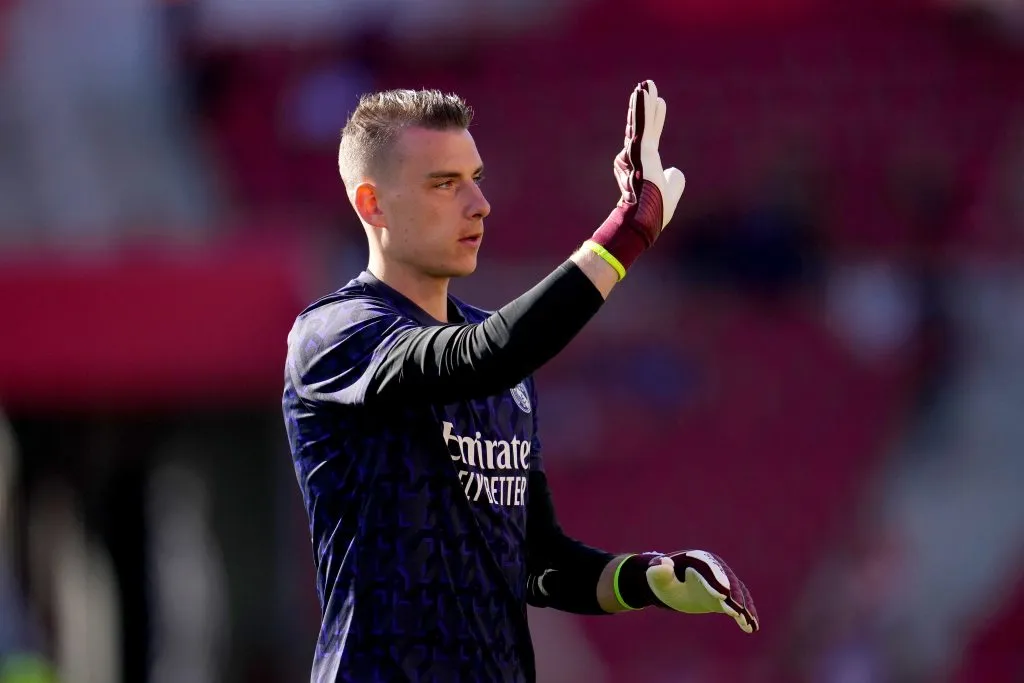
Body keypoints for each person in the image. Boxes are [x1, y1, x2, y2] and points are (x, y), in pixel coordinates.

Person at [282, 79, 759, 683]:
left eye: (476, 177)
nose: (479, 203)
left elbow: (538, 563)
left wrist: (652, 579)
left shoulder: (500, 360)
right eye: (445, 184)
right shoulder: (336, 335)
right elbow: (485, 356)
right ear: (373, 204)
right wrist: (625, 232)